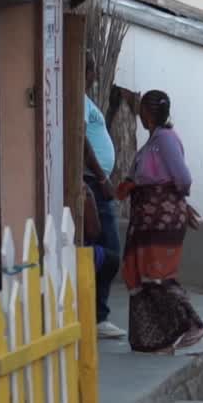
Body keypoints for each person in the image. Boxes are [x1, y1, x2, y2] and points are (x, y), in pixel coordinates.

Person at [118, 90, 203, 355]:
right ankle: (156, 339)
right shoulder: (152, 142)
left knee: (158, 276)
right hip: (145, 219)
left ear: (148, 112)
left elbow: (182, 178)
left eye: (143, 110)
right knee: (140, 277)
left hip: (161, 219)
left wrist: (178, 202)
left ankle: (193, 324)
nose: (140, 114)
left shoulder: (166, 140)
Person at [83, 73, 125, 339]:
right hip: (92, 184)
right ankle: (97, 316)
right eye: (90, 67)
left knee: (102, 251)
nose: (95, 74)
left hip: (98, 183)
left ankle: (95, 313)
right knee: (108, 252)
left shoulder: (86, 100)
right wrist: (101, 177)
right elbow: (82, 141)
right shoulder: (77, 98)